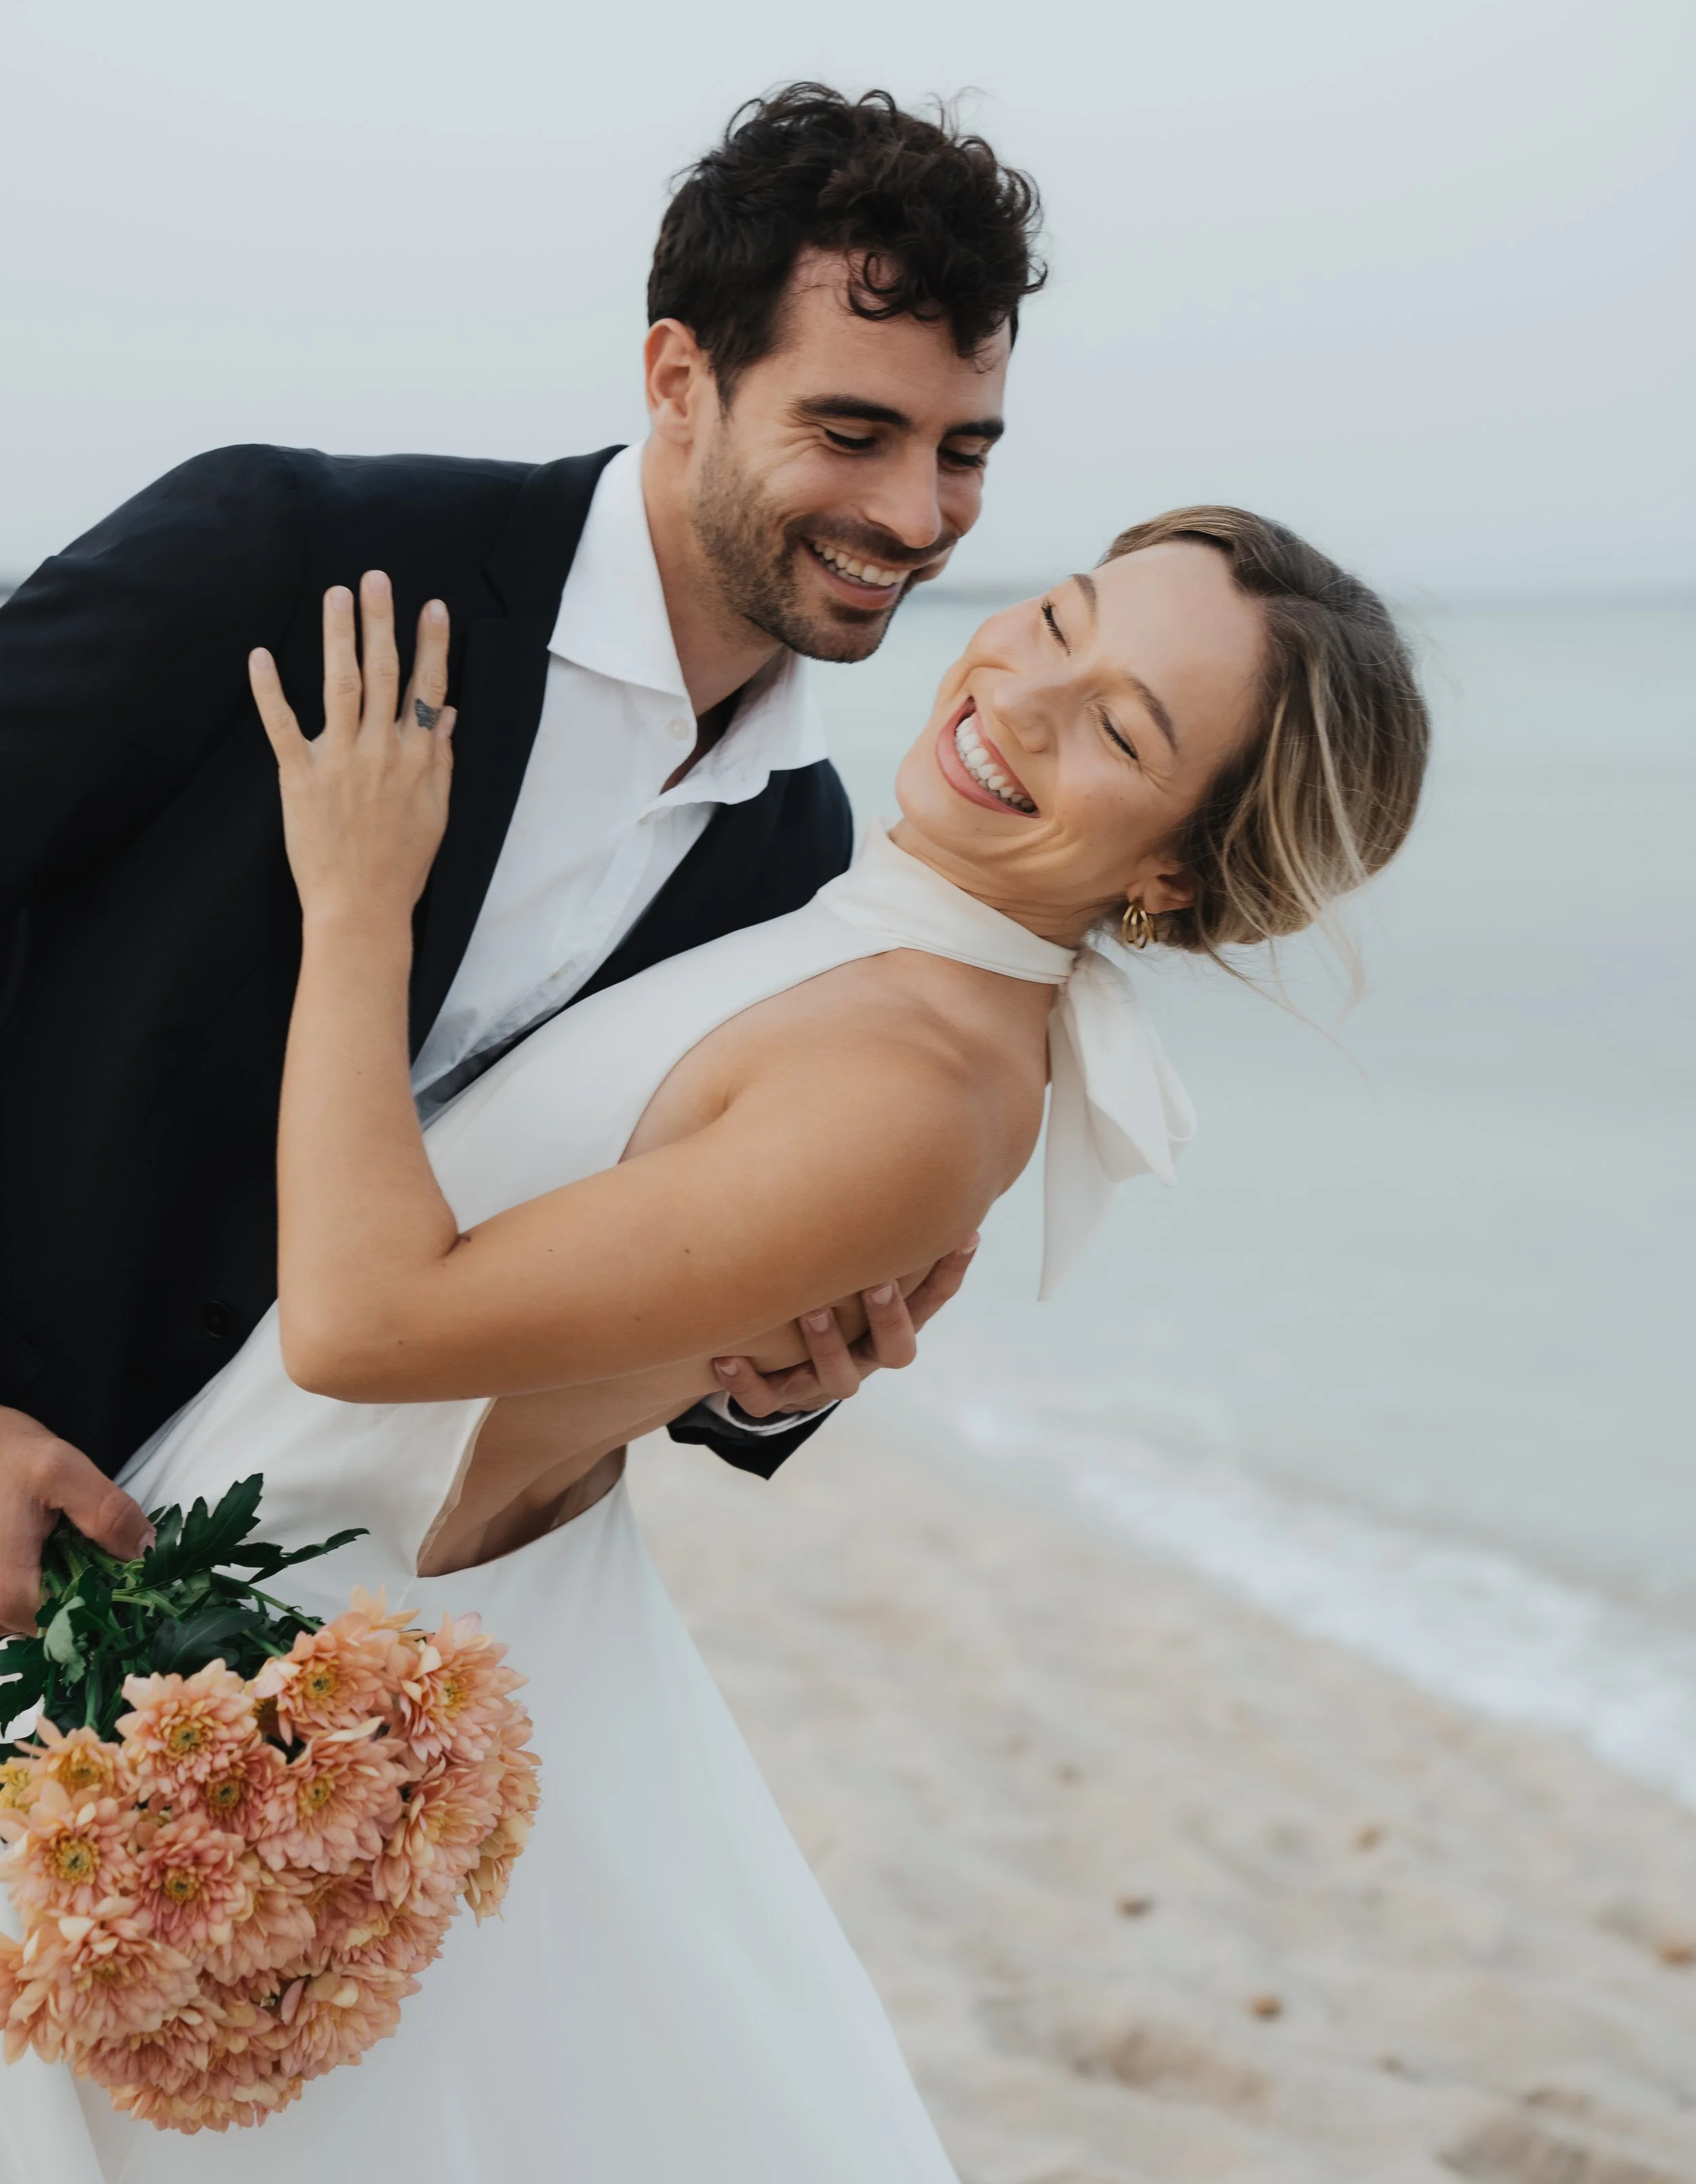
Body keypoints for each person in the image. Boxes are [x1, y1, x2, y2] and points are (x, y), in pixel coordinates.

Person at [32, 505, 1425, 2176]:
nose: (1025, 694)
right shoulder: (855, 925)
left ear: (1177, 874)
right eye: (1056, 621)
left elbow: (361, 1319)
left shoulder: (921, 1079)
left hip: (301, 1653)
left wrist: (358, 895)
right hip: (263, 1594)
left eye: (1123, 728)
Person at [0, 84, 1045, 1638]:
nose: (914, 513)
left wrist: (761, 1389)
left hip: (235, 1614)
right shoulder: (288, 554)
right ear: (678, 376)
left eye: (962, 452)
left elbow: (600, 1293)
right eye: (852, 432)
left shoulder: (797, 849)